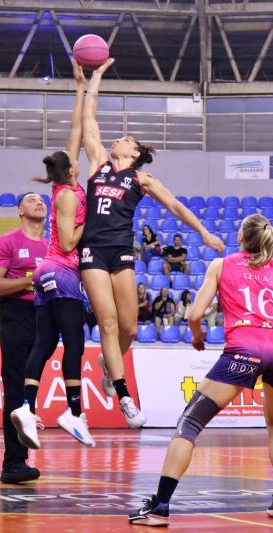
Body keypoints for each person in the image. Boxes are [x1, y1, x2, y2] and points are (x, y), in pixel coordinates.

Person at [129, 215, 273, 527]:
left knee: (190, 422)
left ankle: (159, 505)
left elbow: (196, 314)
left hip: (244, 348)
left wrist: (197, 336)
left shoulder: (222, 265)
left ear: (241, 238)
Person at [78, 58, 224, 428]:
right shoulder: (97, 165)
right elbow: (88, 122)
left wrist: (204, 233)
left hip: (121, 252)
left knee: (128, 329)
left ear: (134, 153)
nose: (118, 138)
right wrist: (94, 79)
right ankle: (125, 397)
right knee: (109, 325)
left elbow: (174, 205)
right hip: (93, 250)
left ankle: (107, 366)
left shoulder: (141, 179)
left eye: (125, 139)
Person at [12, 71, 97, 450]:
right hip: (61, 271)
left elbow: (77, 130)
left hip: (45, 276)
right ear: (70, 170)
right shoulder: (67, 196)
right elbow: (67, 241)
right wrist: (93, 221)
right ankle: (74, 413)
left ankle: (27, 409)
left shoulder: (68, 182)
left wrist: (81, 87)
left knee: (43, 346)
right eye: (74, 160)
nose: (79, 158)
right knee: (74, 343)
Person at [0, 192, 48, 484]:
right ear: (20, 210)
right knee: (15, 385)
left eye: (42, 200)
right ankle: (12, 463)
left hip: (43, 314)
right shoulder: (7, 241)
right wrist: (29, 279)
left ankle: (20, 460)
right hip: (15, 313)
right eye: (32, 200)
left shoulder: (53, 246)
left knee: (30, 386)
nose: (40, 202)